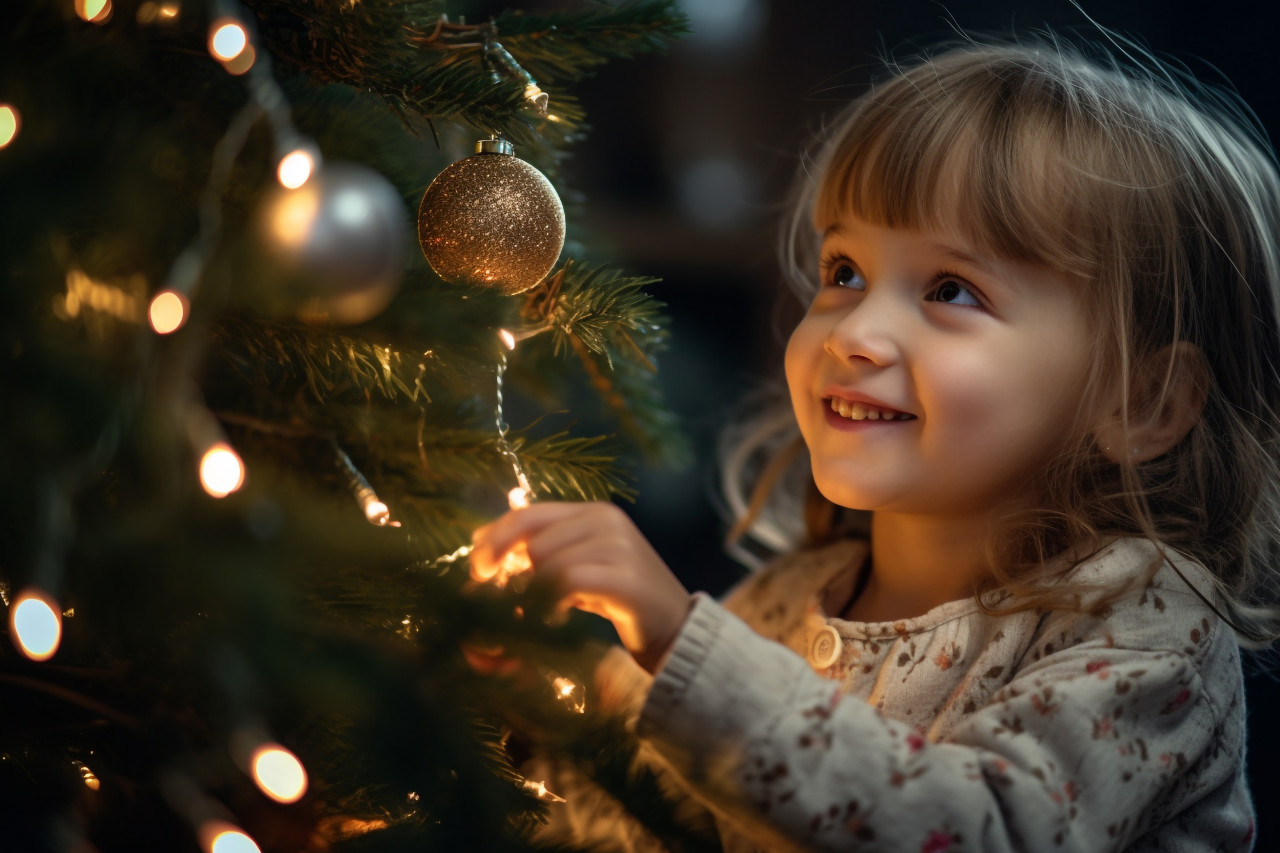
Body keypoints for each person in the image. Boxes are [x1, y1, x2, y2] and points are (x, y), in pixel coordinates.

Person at [471, 34, 1280, 853]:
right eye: (844, 271)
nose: (854, 332)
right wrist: (552, 714)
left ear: (1141, 402)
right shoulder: (784, 605)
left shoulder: (1149, 621)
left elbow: (984, 831)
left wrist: (682, 645)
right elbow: (667, 825)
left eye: (951, 289)